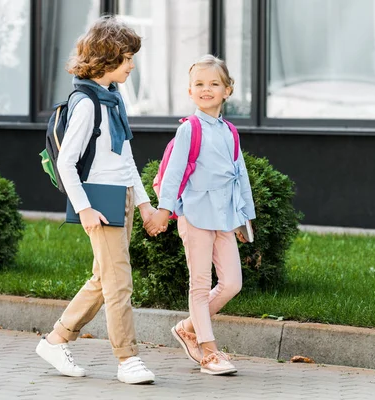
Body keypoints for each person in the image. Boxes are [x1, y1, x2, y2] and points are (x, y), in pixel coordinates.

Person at [35, 15, 156, 385]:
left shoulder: (114, 99)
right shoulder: (86, 103)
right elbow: (68, 162)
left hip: (121, 196)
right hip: (99, 201)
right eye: (127, 58)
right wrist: (85, 209)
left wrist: (143, 202)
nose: (133, 64)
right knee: (120, 283)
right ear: (107, 59)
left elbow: (126, 157)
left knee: (104, 279)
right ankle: (127, 358)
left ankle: (56, 339)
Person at [144, 54, 256, 375]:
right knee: (200, 283)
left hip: (224, 216)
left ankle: (187, 327)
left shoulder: (229, 131)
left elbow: (240, 176)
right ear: (190, 91)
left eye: (214, 84)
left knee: (232, 283)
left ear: (227, 90)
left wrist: (242, 218)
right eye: (199, 84)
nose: (206, 89)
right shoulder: (189, 130)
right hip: (195, 215)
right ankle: (209, 352)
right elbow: (174, 175)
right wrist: (164, 211)